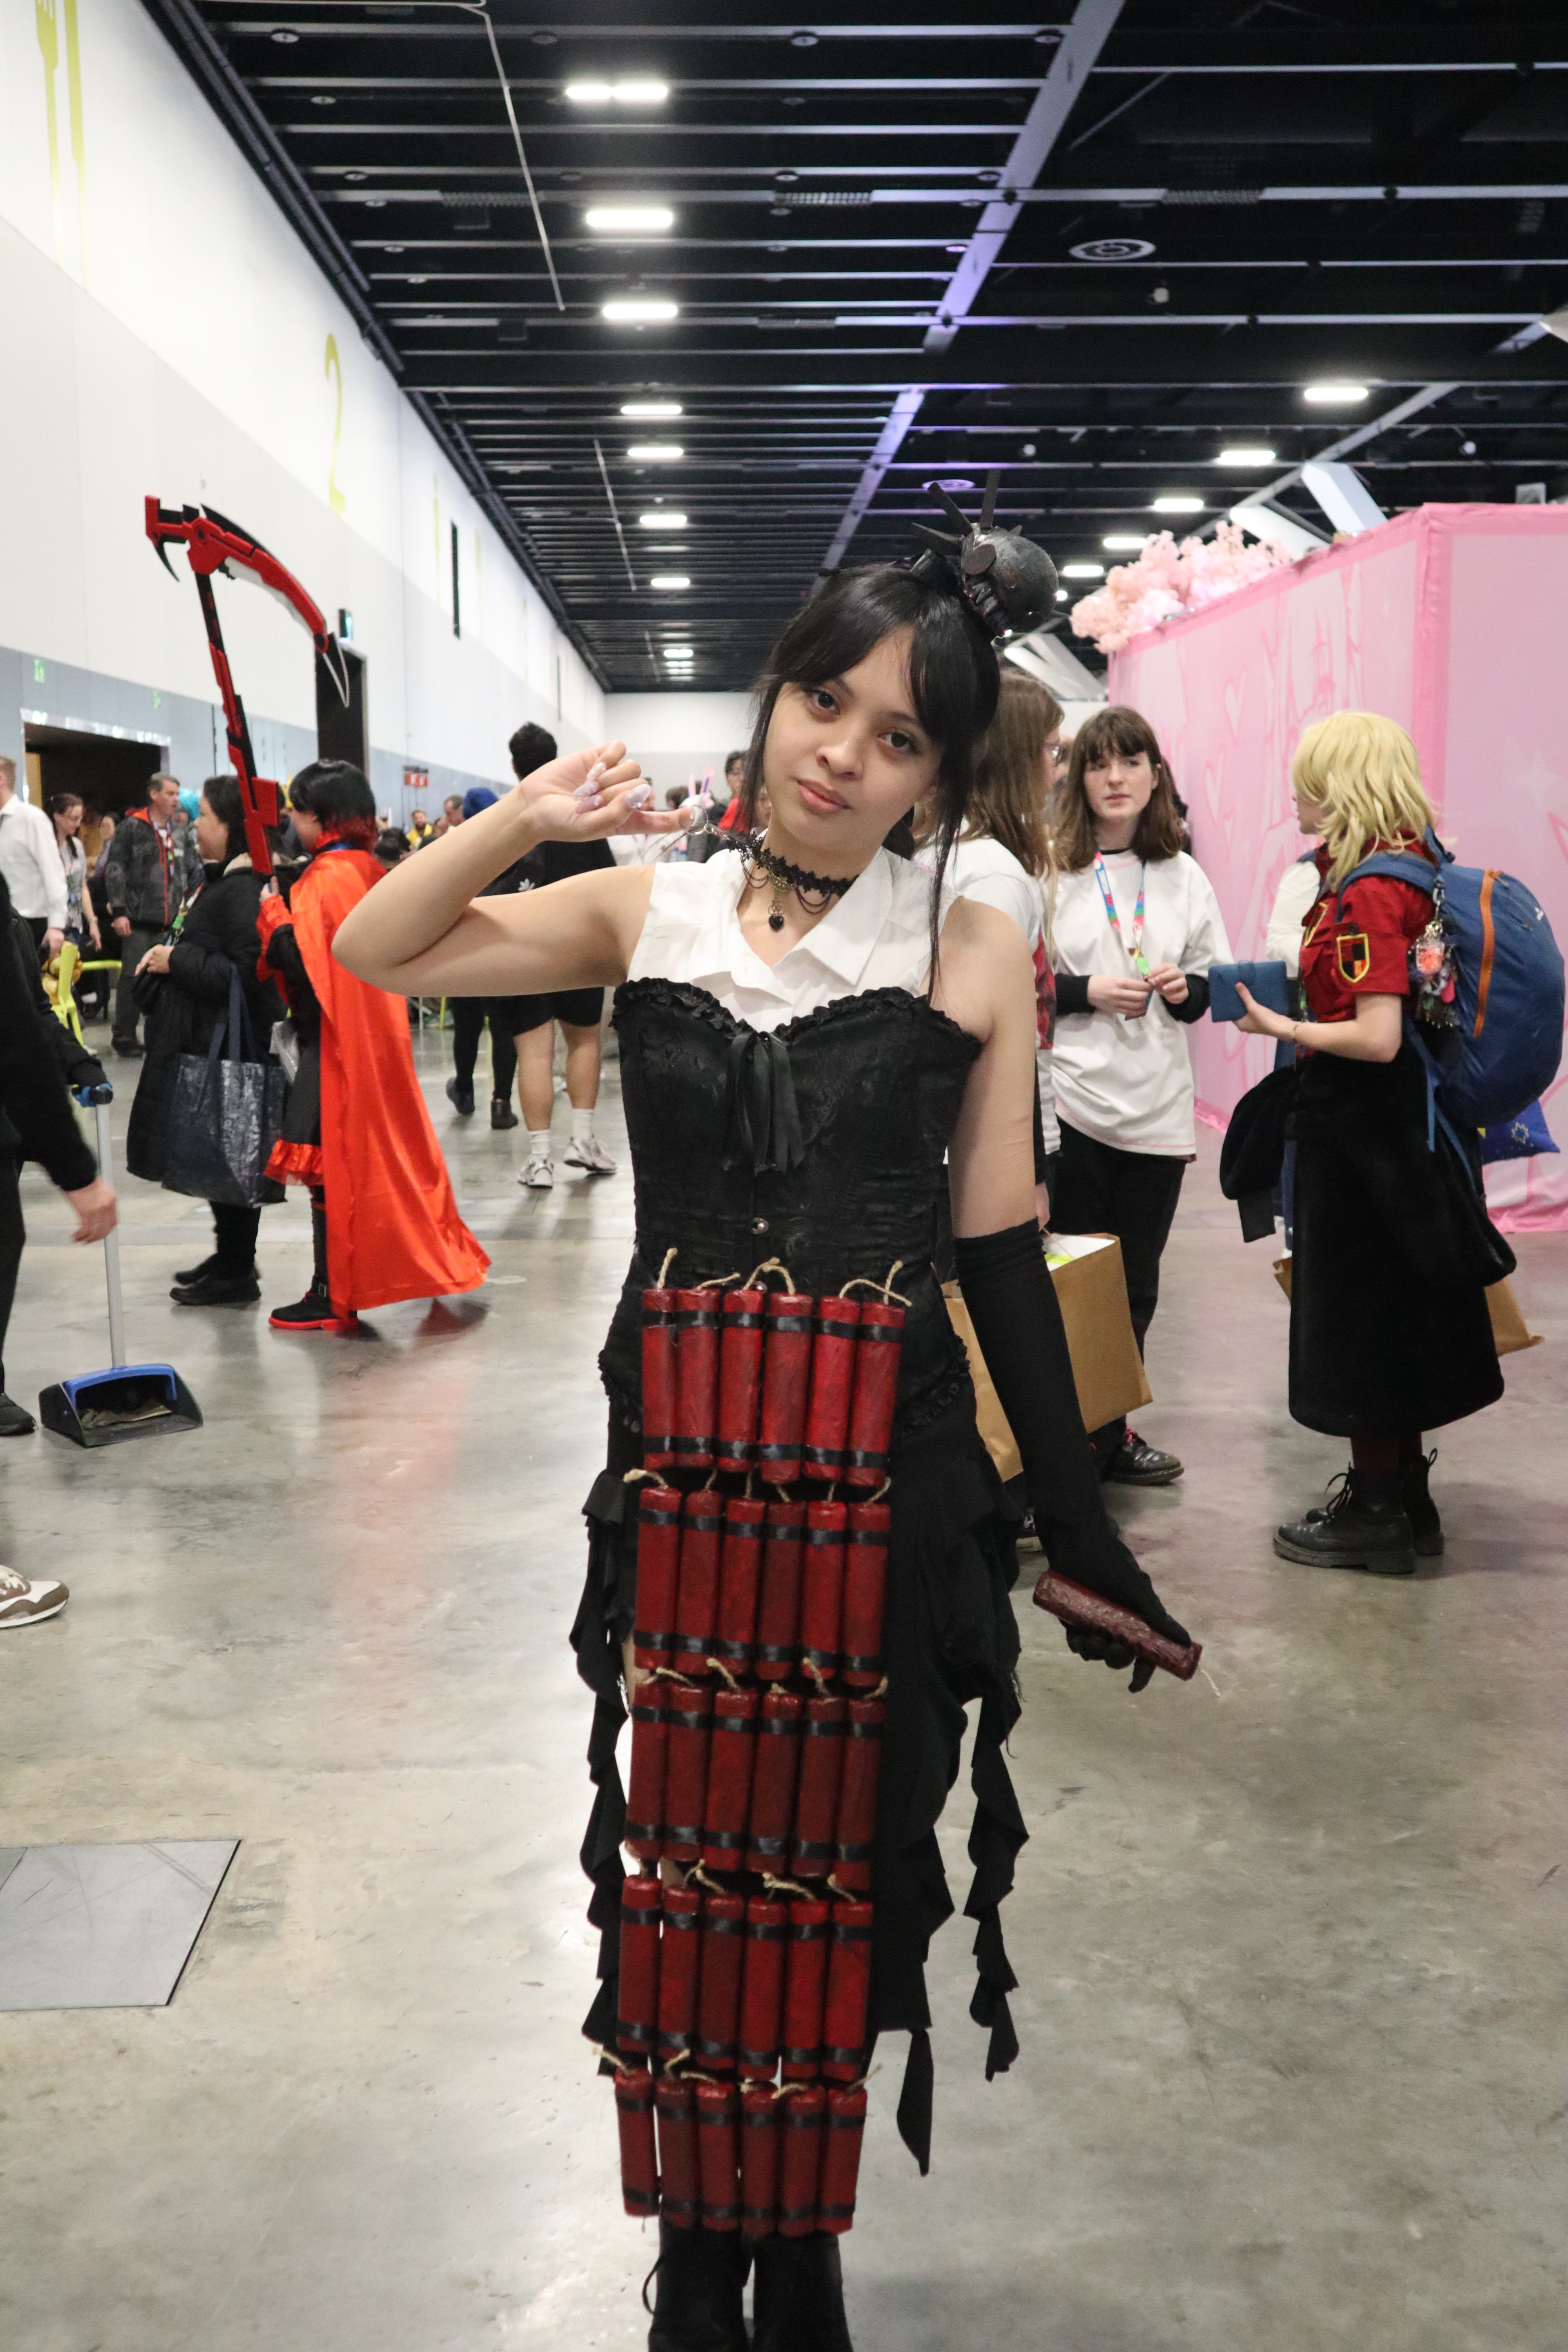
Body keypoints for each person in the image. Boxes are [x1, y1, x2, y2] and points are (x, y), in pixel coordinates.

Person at [335, 559, 1194, 2352]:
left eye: (897, 738)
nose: (841, 756)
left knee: (842, 1875)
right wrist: (523, 812)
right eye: (824, 704)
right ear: (771, 696)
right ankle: (695, 2251)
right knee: (691, 1873)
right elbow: (373, 947)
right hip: (685, 1478)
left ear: (936, 776)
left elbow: (991, 1249)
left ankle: (791, 2245)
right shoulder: (648, 906)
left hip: (883, 1482)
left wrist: (1072, 1516)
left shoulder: (962, 939)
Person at [1234, 711, 1515, 1573]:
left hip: (1361, 1136)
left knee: (1356, 1325)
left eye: (1308, 777)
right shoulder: (1418, 868)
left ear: (1341, 782)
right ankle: (1404, 1497)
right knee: (1402, 1318)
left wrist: (1280, 1024)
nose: (1294, 794)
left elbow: (1376, 1034)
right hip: (1409, 1135)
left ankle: (1375, 1510)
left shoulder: (1364, 890)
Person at [1047, 705, 1231, 1486]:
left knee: (1135, 1286)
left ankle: (1110, 1437)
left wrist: (1185, 990)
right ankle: (1064, 1446)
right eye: (1099, 764)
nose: (1115, 778)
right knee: (1071, 1286)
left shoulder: (1182, 874)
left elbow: (1212, 990)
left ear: (1155, 776)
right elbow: (1015, 989)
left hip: (1158, 1111)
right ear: (1078, 779)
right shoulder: (1046, 870)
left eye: (1130, 762)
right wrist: (1086, 990)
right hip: (1073, 1107)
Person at [256, 759, 489, 1332]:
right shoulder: (365, 870)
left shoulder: (327, 878)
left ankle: (331, 1291)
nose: (291, 819)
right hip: (369, 1035)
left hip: (335, 1040)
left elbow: (310, 969)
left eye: (298, 811)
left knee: (330, 1165)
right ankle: (335, 1286)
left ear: (323, 817)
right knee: (361, 1162)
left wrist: (272, 918)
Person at [122, 774, 285, 1308]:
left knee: (230, 1161)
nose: (196, 826)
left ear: (234, 826)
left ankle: (238, 1269)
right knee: (216, 1161)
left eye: (207, 817)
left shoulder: (241, 893)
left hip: (228, 1051)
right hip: (201, 1044)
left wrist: (177, 959)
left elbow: (244, 976)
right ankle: (231, 1257)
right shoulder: (219, 882)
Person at [915, 668, 1063, 1219]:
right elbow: (990, 1035)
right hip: (984, 1143)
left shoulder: (947, 853)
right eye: (1049, 751)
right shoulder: (991, 874)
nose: (1054, 772)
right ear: (1016, 758)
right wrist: (1032, 1173)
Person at [0, 867, 116, 1483]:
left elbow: (32, 1013)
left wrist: (80, 1061)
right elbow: (13, 1036)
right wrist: (78, 1173)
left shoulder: (15, 925)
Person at [506, 720, 617, 1190]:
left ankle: (540, 1161)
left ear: (514, 766)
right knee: (584, 1041)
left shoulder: (509, 821)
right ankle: (583, 1141)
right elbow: (608, 883)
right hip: (578, 950)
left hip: (524, 950)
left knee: (533, 1054)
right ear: (555, 760)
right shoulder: (582, 816)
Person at [445, 784, 532, 1129]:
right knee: (502, 1029)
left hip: (463, 954)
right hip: (501, 953)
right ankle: (501, 1104)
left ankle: (465, 1090)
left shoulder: (456, 850)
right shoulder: (516, 851)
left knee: (465, 1028)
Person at [103, 772, 202, 1057]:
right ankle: (124, 1035)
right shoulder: (132, 827)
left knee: (168, 980)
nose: (175, 800)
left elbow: (194, 869)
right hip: (137, 918)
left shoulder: (180, 832)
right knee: (133, 977)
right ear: (154, 794)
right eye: (170, 794)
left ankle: (162, 1033)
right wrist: (119, 910)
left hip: (173, 920)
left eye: (177, 795)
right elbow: (115, 869)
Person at [0, 757, 67, 961]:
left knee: (23, 991)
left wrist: (56, 926)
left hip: (28, 924)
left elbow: (53, 872)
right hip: (4, 920)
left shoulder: (31, 819)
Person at [48, 793, 103, 964]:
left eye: (80, 818)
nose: (78, 824)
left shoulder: (77, 846)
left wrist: (92, 921)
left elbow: (82, 887)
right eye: (73, 818)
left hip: (74, 924)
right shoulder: (46, 847)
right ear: (57, 817)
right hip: (52, 925)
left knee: (70, 976)